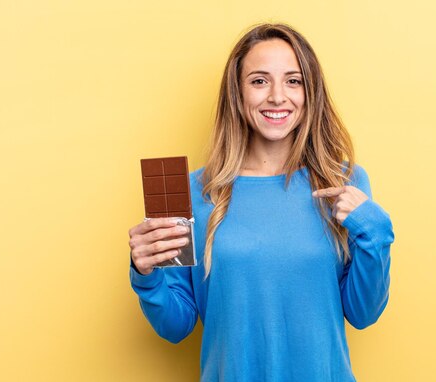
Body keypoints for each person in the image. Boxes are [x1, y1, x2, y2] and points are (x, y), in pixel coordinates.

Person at [128, 23, 394, 381]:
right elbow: (176, 325)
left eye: (293, 81)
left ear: (309, 93)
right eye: (259, 81)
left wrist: (375, 230)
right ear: (237, 94)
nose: (277, 97)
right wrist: (145, 274)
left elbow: (364, 313)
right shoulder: (189, 192)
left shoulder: (343, 182)